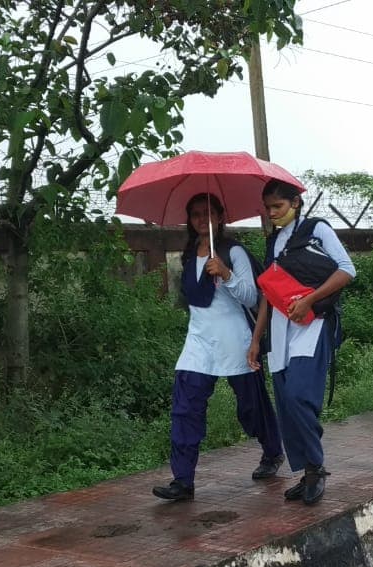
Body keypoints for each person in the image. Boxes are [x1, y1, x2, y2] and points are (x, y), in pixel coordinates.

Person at [152, 193, 284, 502]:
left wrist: (226, 274)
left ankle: (272, 450)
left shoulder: (233, 251)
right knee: (185, 409)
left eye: (208, 213)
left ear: (220, 218)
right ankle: (183, 480)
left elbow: (253, 297)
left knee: (252, 406)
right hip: (198, 343)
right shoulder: (188, 254)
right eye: (196, 214)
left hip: (235, 340)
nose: (202, 219)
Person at [247, 180, 355, 505]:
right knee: (285, 404)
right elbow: (267, 293)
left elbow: (348, 270)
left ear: (295, 202)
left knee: (297, 396)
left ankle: (316, 467)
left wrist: (310, 300)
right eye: (267, 208)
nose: (271, 213)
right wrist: (256, 340)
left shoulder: (316, 229)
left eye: (277, 207)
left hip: (313, 324)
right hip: (280, 330)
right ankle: (307, 470)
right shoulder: (273, 243)